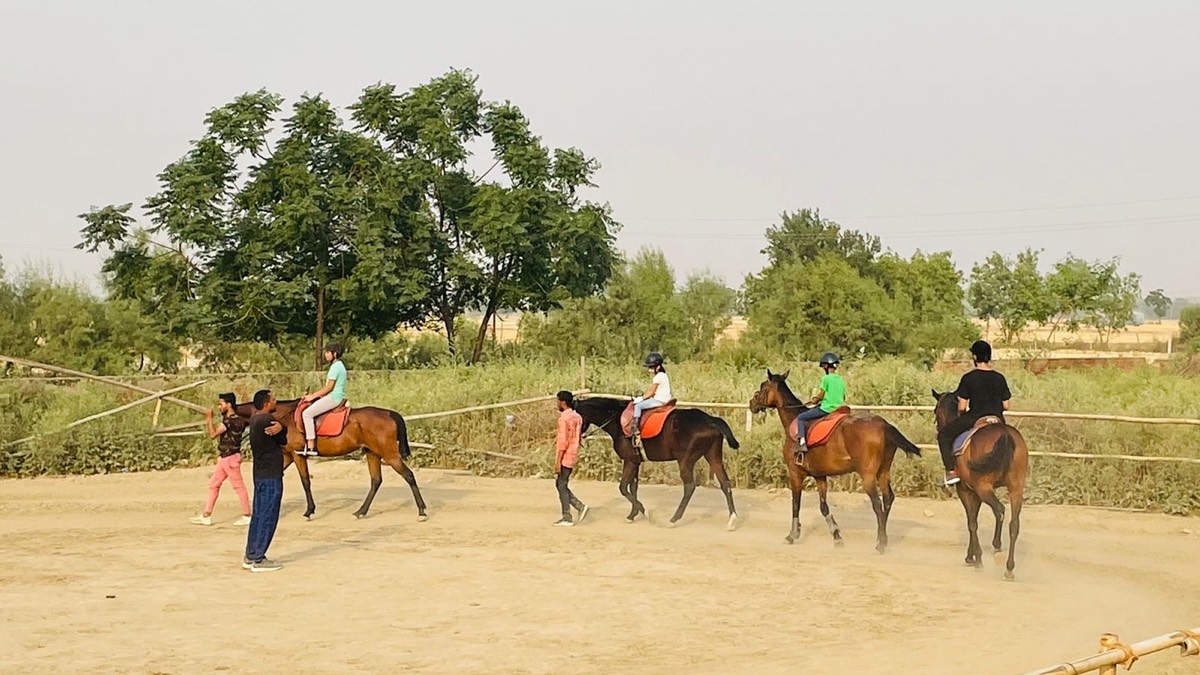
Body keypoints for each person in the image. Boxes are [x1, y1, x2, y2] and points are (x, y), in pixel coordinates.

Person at [937, 339, 1012, 486]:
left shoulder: (969, 378)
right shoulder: (999, 378)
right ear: (988, 356)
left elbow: (962, 407)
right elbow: (1007, 405)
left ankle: (952, 472)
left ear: (975, 357)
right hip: (997, 418)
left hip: (975, 416)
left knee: (943, 436)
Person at [190, 393, 251, 526]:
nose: (219, 407)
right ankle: (206, 514)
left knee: (238, 487)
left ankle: (247, 514)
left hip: (229, 458)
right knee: (214, 484)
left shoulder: (228, 422)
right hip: (227, 458)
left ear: (228, 404)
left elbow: (212, 434)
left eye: (221, 404)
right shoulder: (239, 420)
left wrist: (209, 419)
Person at [243, 389, 286, 573]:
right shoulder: (267, 421)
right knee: (268, 515)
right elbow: (283, 439)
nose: (276, 402)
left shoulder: (254, 419)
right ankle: (259, 558)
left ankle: (251, 553)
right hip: (270, 475)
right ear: (267, 403)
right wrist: (282, 427)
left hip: (260, 474)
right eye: (273, 399)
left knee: (259, 515)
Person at [299, 342, 349, 457]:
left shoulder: (335, 367)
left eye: (327, 352)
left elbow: (329, 388)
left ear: (334, 354)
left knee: (307, 413)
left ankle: (310, 445)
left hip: (334, 397)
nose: (325, 355)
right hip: (336, 395)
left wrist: (312, 396)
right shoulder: (339, 365)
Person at [793, 352, 847, 460]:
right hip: (840, 409)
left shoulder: (826, 379)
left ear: (826, 366)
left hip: (827, 409)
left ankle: (802, 443)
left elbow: (821, 394)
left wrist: (815, 400)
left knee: (801, 417)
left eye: (823, 366)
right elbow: (843, 396)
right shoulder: (840, 379)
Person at [552, 391, 589, 527]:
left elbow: (563, 442)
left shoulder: (564, 419)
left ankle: (568, 516)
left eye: (557, 401)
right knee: (561, 484)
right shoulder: (577, 417)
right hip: (573, 454)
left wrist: (557, 461)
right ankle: (578, 507)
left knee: (561, 484)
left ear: (562, 402)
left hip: (565, 455)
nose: (556, 404)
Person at [630, 352, 672, 447]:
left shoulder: (657, 377)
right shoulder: (664, 375)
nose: (649, 370)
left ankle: (636, 430)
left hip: (659, 400)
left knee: (638, 406)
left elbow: (651, 393)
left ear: (657, 367)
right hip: (666, 399)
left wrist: (641, 398)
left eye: (651, 368)